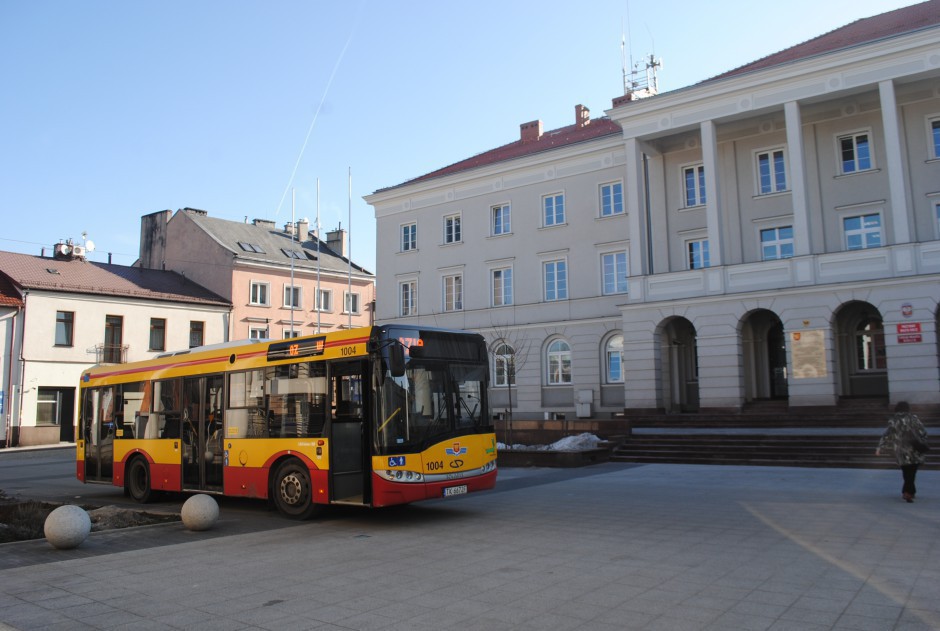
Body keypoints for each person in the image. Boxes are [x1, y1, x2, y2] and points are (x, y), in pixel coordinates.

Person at [876, 401, 929, 502]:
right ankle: (908, 492)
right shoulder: (914, 418)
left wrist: (880, 447)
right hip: (914, 450)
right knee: (912, 472)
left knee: (906, 472)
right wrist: (921, 441)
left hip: (901, 451)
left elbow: (888, 434)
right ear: (907, 408)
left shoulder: (894, 420)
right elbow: (923, 432)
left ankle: (910, 492)